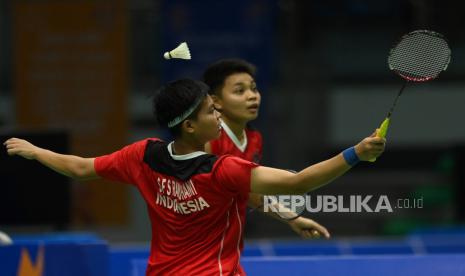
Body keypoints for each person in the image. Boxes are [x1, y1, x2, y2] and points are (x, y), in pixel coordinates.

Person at [4, 78, 385, 275]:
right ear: (189, 125)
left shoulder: (144, 155)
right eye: (209, 112)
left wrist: (36, 151)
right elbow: (300, 181)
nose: (217, 116)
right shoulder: (224, 169)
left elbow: (81, 169)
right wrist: (357, 153)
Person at [203, 58, 328, 238]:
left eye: (254, 89)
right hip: (195, 238)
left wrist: (292, 218)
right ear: (216, 101)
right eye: (239, 91)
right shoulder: (208, 140)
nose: (252, 96)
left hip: (223, 238)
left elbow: (251, 192)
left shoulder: (254, 139)